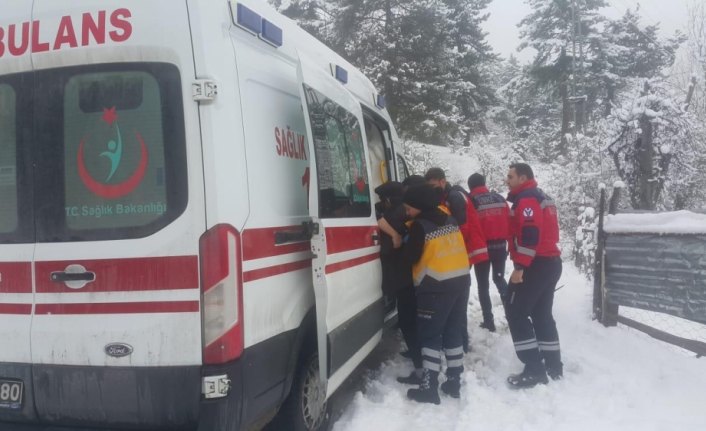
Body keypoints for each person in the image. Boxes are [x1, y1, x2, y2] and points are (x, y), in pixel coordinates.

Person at [401, 184, 470, 404]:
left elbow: (409, 258)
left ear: (418, 206)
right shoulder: (448, 217)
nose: (407, 212)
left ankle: (429, 388)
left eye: (409, 208)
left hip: (435, 287)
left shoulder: (420, 226)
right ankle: (453, 382)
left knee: (430, 336)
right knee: (452, 332)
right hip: (460, 282)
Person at [504, 163, 563, 388]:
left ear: (523, 177)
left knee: (516, 313)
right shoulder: (539, 195)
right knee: (541, 314)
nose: (507, 180)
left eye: (510, 176)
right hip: (550, 263)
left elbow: (530, 235)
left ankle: (535, 369)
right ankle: (552, 365)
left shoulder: (527, 199)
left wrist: (520, 268)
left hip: (535, 264)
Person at [425, 167, 487, 352]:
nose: (432, 190)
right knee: (456, 298)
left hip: (464, 252)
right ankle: (457, 340)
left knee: (458, 299)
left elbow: (462, 228)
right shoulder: (450, 195)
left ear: (442, 181)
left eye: (433, 185)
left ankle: (461, 342)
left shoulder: (455, 197)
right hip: (461, 252)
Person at [374, 180, 424, 382]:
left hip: (402, 278)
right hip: (410, 276)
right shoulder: (405, 210)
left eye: (381, 199)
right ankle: (418, 357)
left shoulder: (395, 213)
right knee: (411, 320)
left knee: (408, 322)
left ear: (387, 199)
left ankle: (420, 369)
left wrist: (392, 234)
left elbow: (380, 224)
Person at [468, 173, 511, 332]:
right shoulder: (500, 199)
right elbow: (510, 220)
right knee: (499, 280)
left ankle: (489, 321)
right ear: (484, 183)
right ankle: (512, 316)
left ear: (471, 186)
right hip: (500, 246)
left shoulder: (472, 202)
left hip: (482, 249)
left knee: (483, 285)